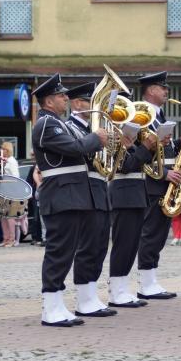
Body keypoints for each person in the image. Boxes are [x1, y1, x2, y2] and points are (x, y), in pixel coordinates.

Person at [31, 73, 106, 326]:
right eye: (61, 95)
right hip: (61, 194)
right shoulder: (46, 124)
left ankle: (58, 305)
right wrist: (97, 138)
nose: (66, 98)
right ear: (49, 101)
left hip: (72, 195)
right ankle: (50, 308)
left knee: (67, 251)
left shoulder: (58, 123)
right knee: (58, 252)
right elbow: (75, 149)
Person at [66, 81, 116, 317]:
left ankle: (91, 295)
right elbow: (78, 152)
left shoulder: (91, 129)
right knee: (87, 247)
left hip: (99, 189)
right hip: (84, 190)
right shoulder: (70, 128)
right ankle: (83, 300)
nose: (95, 106)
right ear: (77, 104)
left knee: (99, 246)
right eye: (89, 101)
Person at [136, 71, 181, 301]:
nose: (166, 92)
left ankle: (151, 279)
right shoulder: (140, 116)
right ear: (151, 90)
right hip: (153, 183)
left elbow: (165, 151)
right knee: (151, 233)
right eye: (163, 88)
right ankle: (145, 282)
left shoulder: (160, 117)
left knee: (160, 233)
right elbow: (136, 157)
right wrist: (164, 174)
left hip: (165, 183)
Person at [108, 119, 158, 308]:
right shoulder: (115, 143)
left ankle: (122, 288)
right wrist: (144, 146)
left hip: (137, 195)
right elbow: (127, 165)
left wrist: (153, 147)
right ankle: (116, 290)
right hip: (124, 196)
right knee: (123, 245)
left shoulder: (133, 144)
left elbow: (144, 163)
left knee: (132, 246)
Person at [0, 142, 20, 247]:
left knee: (10, 216)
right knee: (2, 216)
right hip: (3, 190)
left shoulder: (12, 161)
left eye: (4, 149)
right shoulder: (4, 161)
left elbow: (16, 177)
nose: (2, 151)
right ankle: (6, 238)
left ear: (8, 150)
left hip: (10, 190)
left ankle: (11, 239)